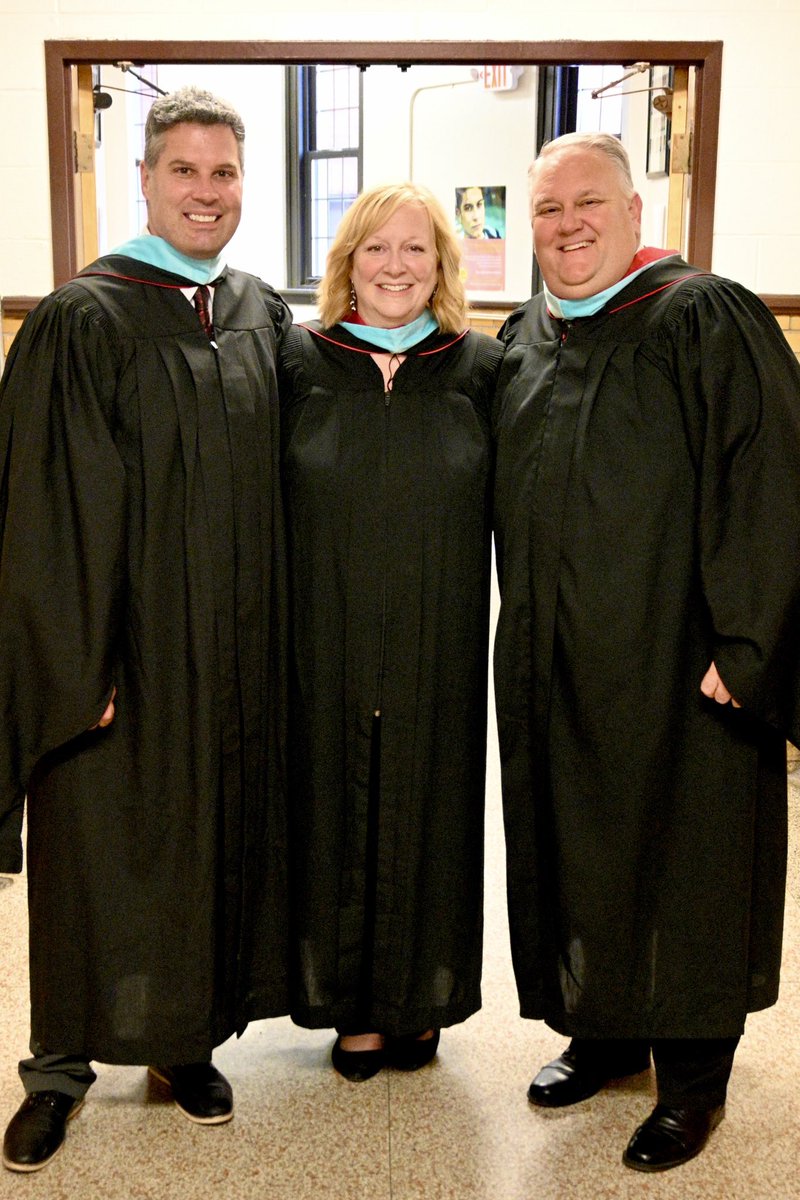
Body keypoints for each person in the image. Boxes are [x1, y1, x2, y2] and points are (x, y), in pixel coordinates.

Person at [492, 131, 800, 1173]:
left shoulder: (700, 315)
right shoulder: (529, 338)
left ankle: (693, 1084)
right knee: (580, 842)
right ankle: (607, 1032)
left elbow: (768, 482)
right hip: (557, 655)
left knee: (686, 860)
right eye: (546, 208)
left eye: (588, 203)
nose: (568, 224)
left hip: (677, 663)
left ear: (634, 212)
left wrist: (748, 639)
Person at [0, 85, 291, 1172]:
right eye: (185, 171)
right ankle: (57, 1067)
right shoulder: (84, 316)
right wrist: (78, 663)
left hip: (231, 652)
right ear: (144, 179)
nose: (205, 192)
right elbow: (44, 510)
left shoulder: (256, 311)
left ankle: (185, 1043)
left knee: (206, 841)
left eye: (223, 174)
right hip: (119, 654)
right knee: (94, 853)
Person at [279, 182, 503, 1081]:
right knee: (331, 811)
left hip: (438, 643)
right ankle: (350, 1012)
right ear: (348, 264)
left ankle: (420, 1003)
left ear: (442, 264)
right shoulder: (297, 365)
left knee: (433, 811)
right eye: (377, 249)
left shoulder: (483, 370)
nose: (396, 266)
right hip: (321, 642)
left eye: (416, 249)